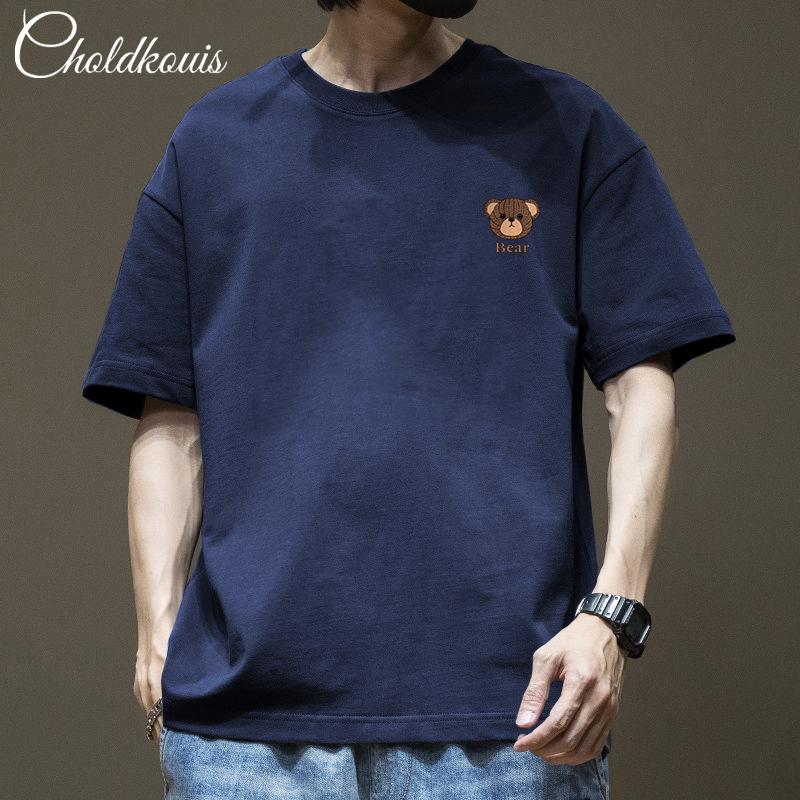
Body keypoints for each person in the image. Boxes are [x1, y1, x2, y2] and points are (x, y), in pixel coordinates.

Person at [80, 0, 736, 797]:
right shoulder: (216, 143)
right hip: (243, 738)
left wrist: (612, 613)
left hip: (510, 721)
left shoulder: (566, 129)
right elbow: (169, 415)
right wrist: (157, 635)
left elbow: (641, 388)